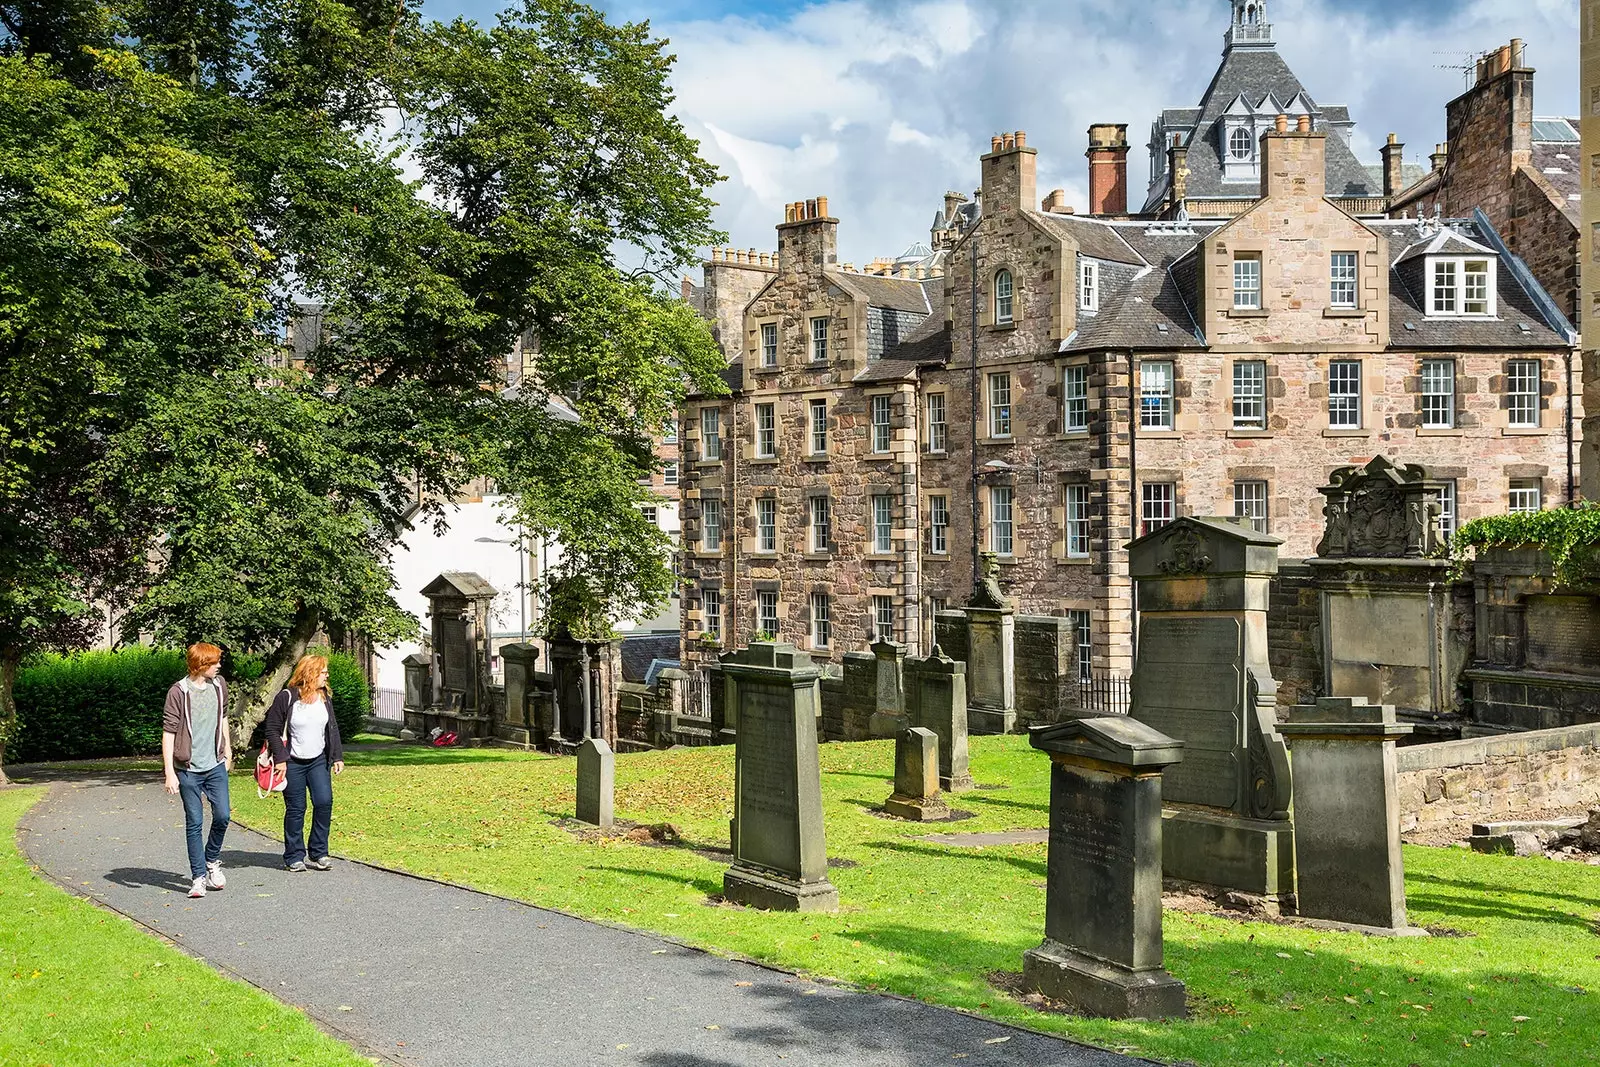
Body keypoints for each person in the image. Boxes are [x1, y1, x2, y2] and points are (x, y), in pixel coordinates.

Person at [162, 642, 232, 899]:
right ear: (201, 665)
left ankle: (211, 859)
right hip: (188, 769)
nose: (219, 666)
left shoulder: (219, 686)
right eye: (214, 663)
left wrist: (228, 749)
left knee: (223, 815)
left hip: (215, 764)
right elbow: (169, 732)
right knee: (195, 822)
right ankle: (199, 877)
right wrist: (170, 771)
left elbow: (223, 718)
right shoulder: (178, 692)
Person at [264, 654, 345, 872]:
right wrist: (280, 759)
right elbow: (272, 729)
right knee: (296, 808)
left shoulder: (324, 697)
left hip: (318, 760)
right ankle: (294, 855)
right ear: (310, 673)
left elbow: (332, 728)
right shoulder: (287, 697)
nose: (327, 675)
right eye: (323, 671)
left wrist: (336, 756)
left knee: (324, 802)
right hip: (292, 763)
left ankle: (319, 852)